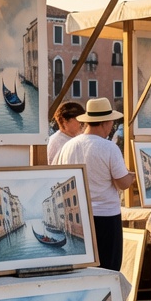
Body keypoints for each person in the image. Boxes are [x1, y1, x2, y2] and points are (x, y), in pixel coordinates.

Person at [56, 98, 136, 271]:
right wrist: (131, 177)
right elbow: (122, 183)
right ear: (105, 123)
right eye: (111, 123)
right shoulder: (109, 147)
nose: (112, 127)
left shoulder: (68, 146)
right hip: (105, 218)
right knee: (108, 269)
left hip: (75, 217)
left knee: (80, 270)